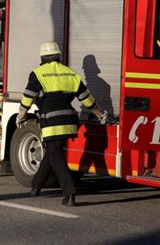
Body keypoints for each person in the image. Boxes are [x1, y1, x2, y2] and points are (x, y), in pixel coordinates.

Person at [16, 41, 108, 206]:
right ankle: (36, 186)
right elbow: (87, 100)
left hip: (51, 122)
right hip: (69, 121)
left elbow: (28, 97)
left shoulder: (38, 73)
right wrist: (101, 114)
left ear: (42, 57)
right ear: (58, 55)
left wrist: (20, 116)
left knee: (56, 156)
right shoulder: (70, 74)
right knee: (52, 151)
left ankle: (69, 192)